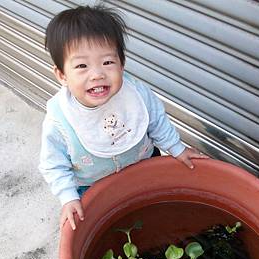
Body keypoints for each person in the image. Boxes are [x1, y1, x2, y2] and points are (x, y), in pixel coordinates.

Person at [39, 5, 208, 231]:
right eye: (81, 66)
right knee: (109, 226)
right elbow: (53, 164)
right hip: (92, 185)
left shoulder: (135, 94)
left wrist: (176, 148)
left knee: (154, 213)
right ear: (62, 75)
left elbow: (156, 120)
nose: (97, 74)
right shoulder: (60, 119)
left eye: (108, 62)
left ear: (122, 63)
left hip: (144, 164)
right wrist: (68, 197)